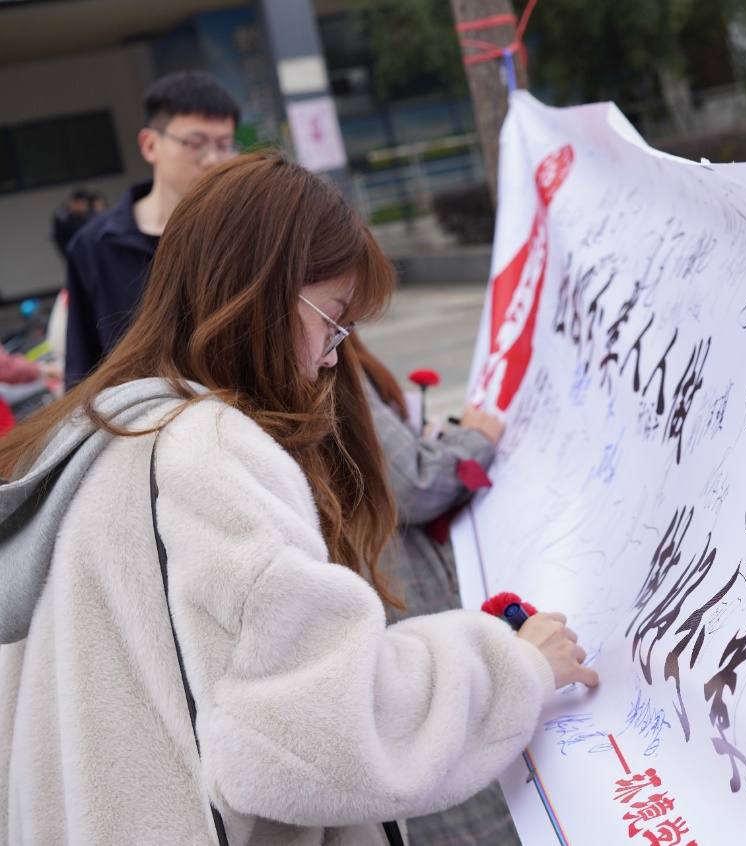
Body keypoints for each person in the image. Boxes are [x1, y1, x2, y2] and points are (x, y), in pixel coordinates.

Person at [0, 152, 598, 844]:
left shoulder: (101, 438)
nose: (333, 356)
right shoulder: (206, 451)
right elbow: (320, 728)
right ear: (259, 292)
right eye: (332, 320)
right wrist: (515, 665)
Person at [353, 335, 523, 845]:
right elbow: (415, 480)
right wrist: (473, 440)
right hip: (400, 583)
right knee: (458, 750)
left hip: (384, 589)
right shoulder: (315, 356)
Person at [63, 70, 241, 388]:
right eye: (195, 144)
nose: (212, 159)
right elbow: (82, 371)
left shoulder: (242, 234)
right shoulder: (94, 246)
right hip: (137, 417)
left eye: (223, 145)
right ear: (150, 145)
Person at [51, 189, 95, 257]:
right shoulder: (63, 217)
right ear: (74, 203)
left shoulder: (85, 216)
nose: (84, 207)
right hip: (73, 253)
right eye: (82, 204)